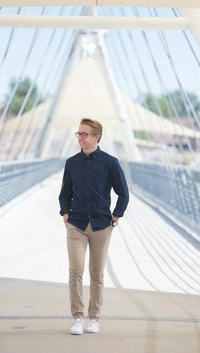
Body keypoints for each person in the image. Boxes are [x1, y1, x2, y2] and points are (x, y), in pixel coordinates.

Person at [59, 118, 129, 335]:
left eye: (84, 134)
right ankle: (77, 317)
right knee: (75, 271)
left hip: (101, 226)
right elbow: (65, 193)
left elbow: (123, 193)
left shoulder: (110, 162)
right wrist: (65, 213)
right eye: (78, 134)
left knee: (97, 273)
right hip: (76, 226)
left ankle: (94, 318)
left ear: (96, 137)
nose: (80, 137)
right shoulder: (71, 163)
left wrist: (116, 216)